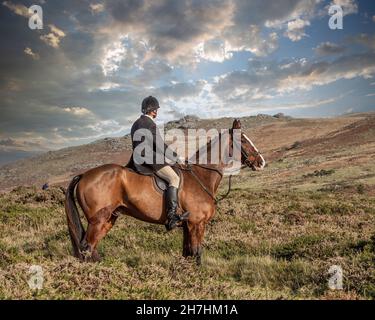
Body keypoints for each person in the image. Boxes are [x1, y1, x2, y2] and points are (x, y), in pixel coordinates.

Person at [130, 96, 186, 231]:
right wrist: (176, 157)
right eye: (156, 110)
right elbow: (159, 145)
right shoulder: (150, 124)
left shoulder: (136, 123)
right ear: (153, 111)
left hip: (137, 158)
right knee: (174, 178)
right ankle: (171, 216)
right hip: (149, 159)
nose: (157, 112)